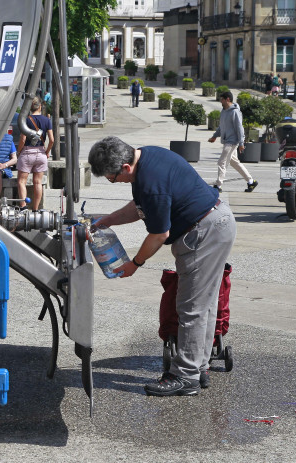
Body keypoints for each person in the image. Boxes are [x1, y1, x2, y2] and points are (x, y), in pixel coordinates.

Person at [88, 137, 237, 397]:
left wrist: (135, 263)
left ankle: (185, 376)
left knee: (191, 307)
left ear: (126, 167)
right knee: (205, 303)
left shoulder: (150, 182)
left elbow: (159, 234)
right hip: (216, 222)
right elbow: (140, 207)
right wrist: (109, 220)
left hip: (202, 232)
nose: (114, 182)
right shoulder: (147, 155)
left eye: (112, 178)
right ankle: (198, 366)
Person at [208, 91, 257, 193]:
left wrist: (241, 143)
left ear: (228, 99)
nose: (220, 101)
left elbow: (240, 128)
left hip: (232, 142)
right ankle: (251, 181)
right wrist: (214, 136)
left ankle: (218, 185)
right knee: (234, 162)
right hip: (227, 141)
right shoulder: (224, 111)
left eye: (222, 99)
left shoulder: (235, 112)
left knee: (222, 162)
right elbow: (221, 127)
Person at [16, 96, 54, 211]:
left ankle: (23, 208)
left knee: (21, 181)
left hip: (27, 152)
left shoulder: (26, 120)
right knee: (38, 183)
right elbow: (52, 140)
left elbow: (23, 139)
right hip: (41, 153)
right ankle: (36, 209)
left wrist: (19, 152)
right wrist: (46, 152)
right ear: (40, 106)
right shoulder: (47, 120)